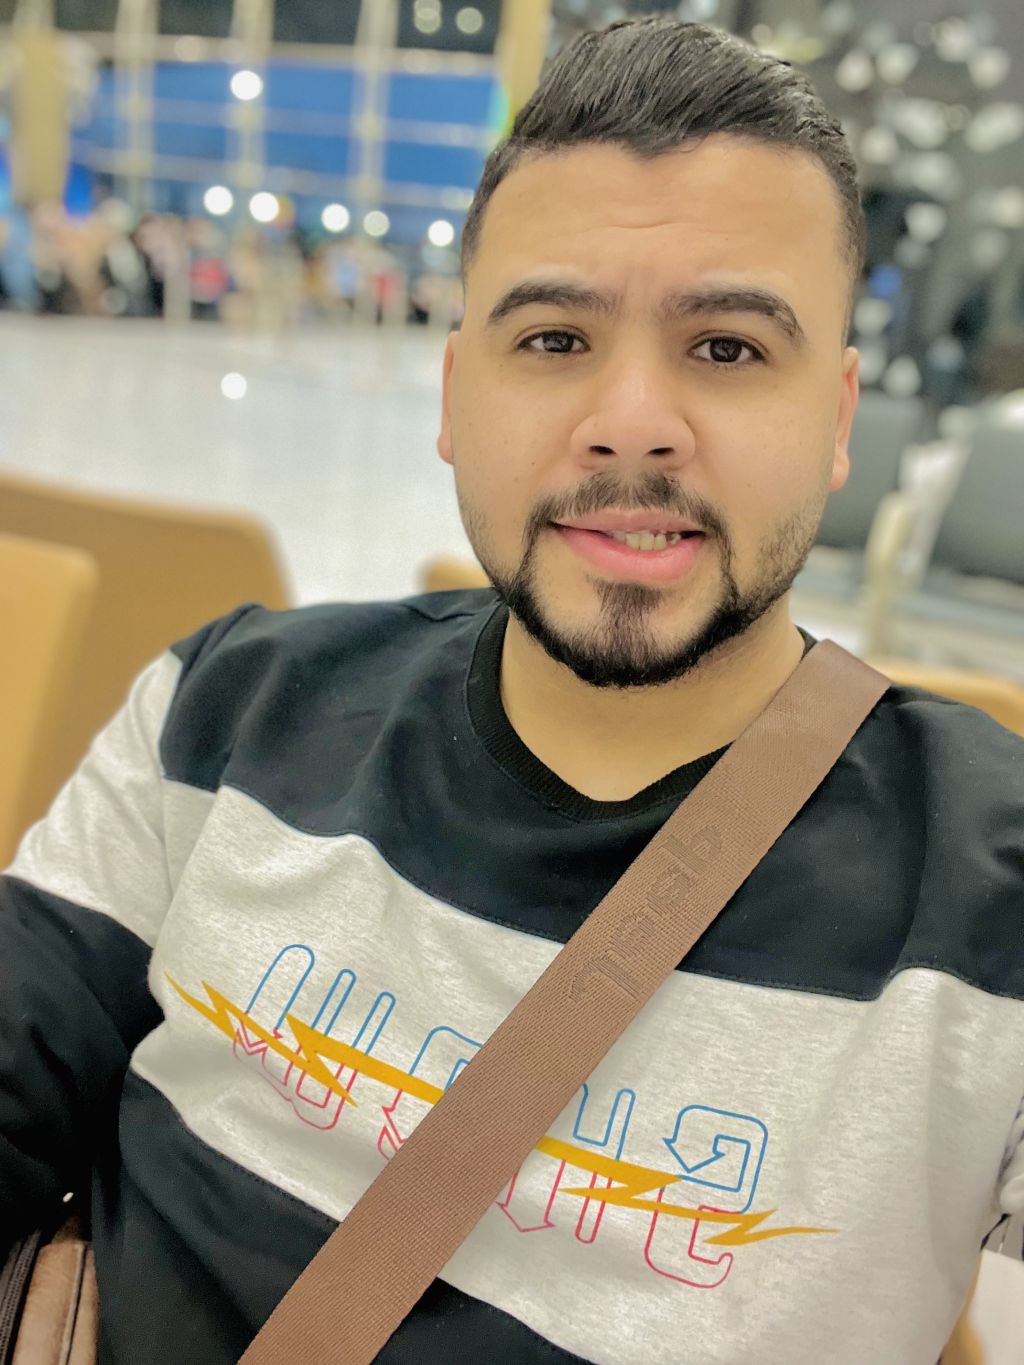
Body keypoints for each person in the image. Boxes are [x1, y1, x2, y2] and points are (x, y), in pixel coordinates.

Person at [2, 17, 1021, 1365]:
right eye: (552, 338)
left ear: (837, 419)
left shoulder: (990, 888)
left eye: (727, 348)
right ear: (453, 392)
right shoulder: (223, 710)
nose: (632, 420)